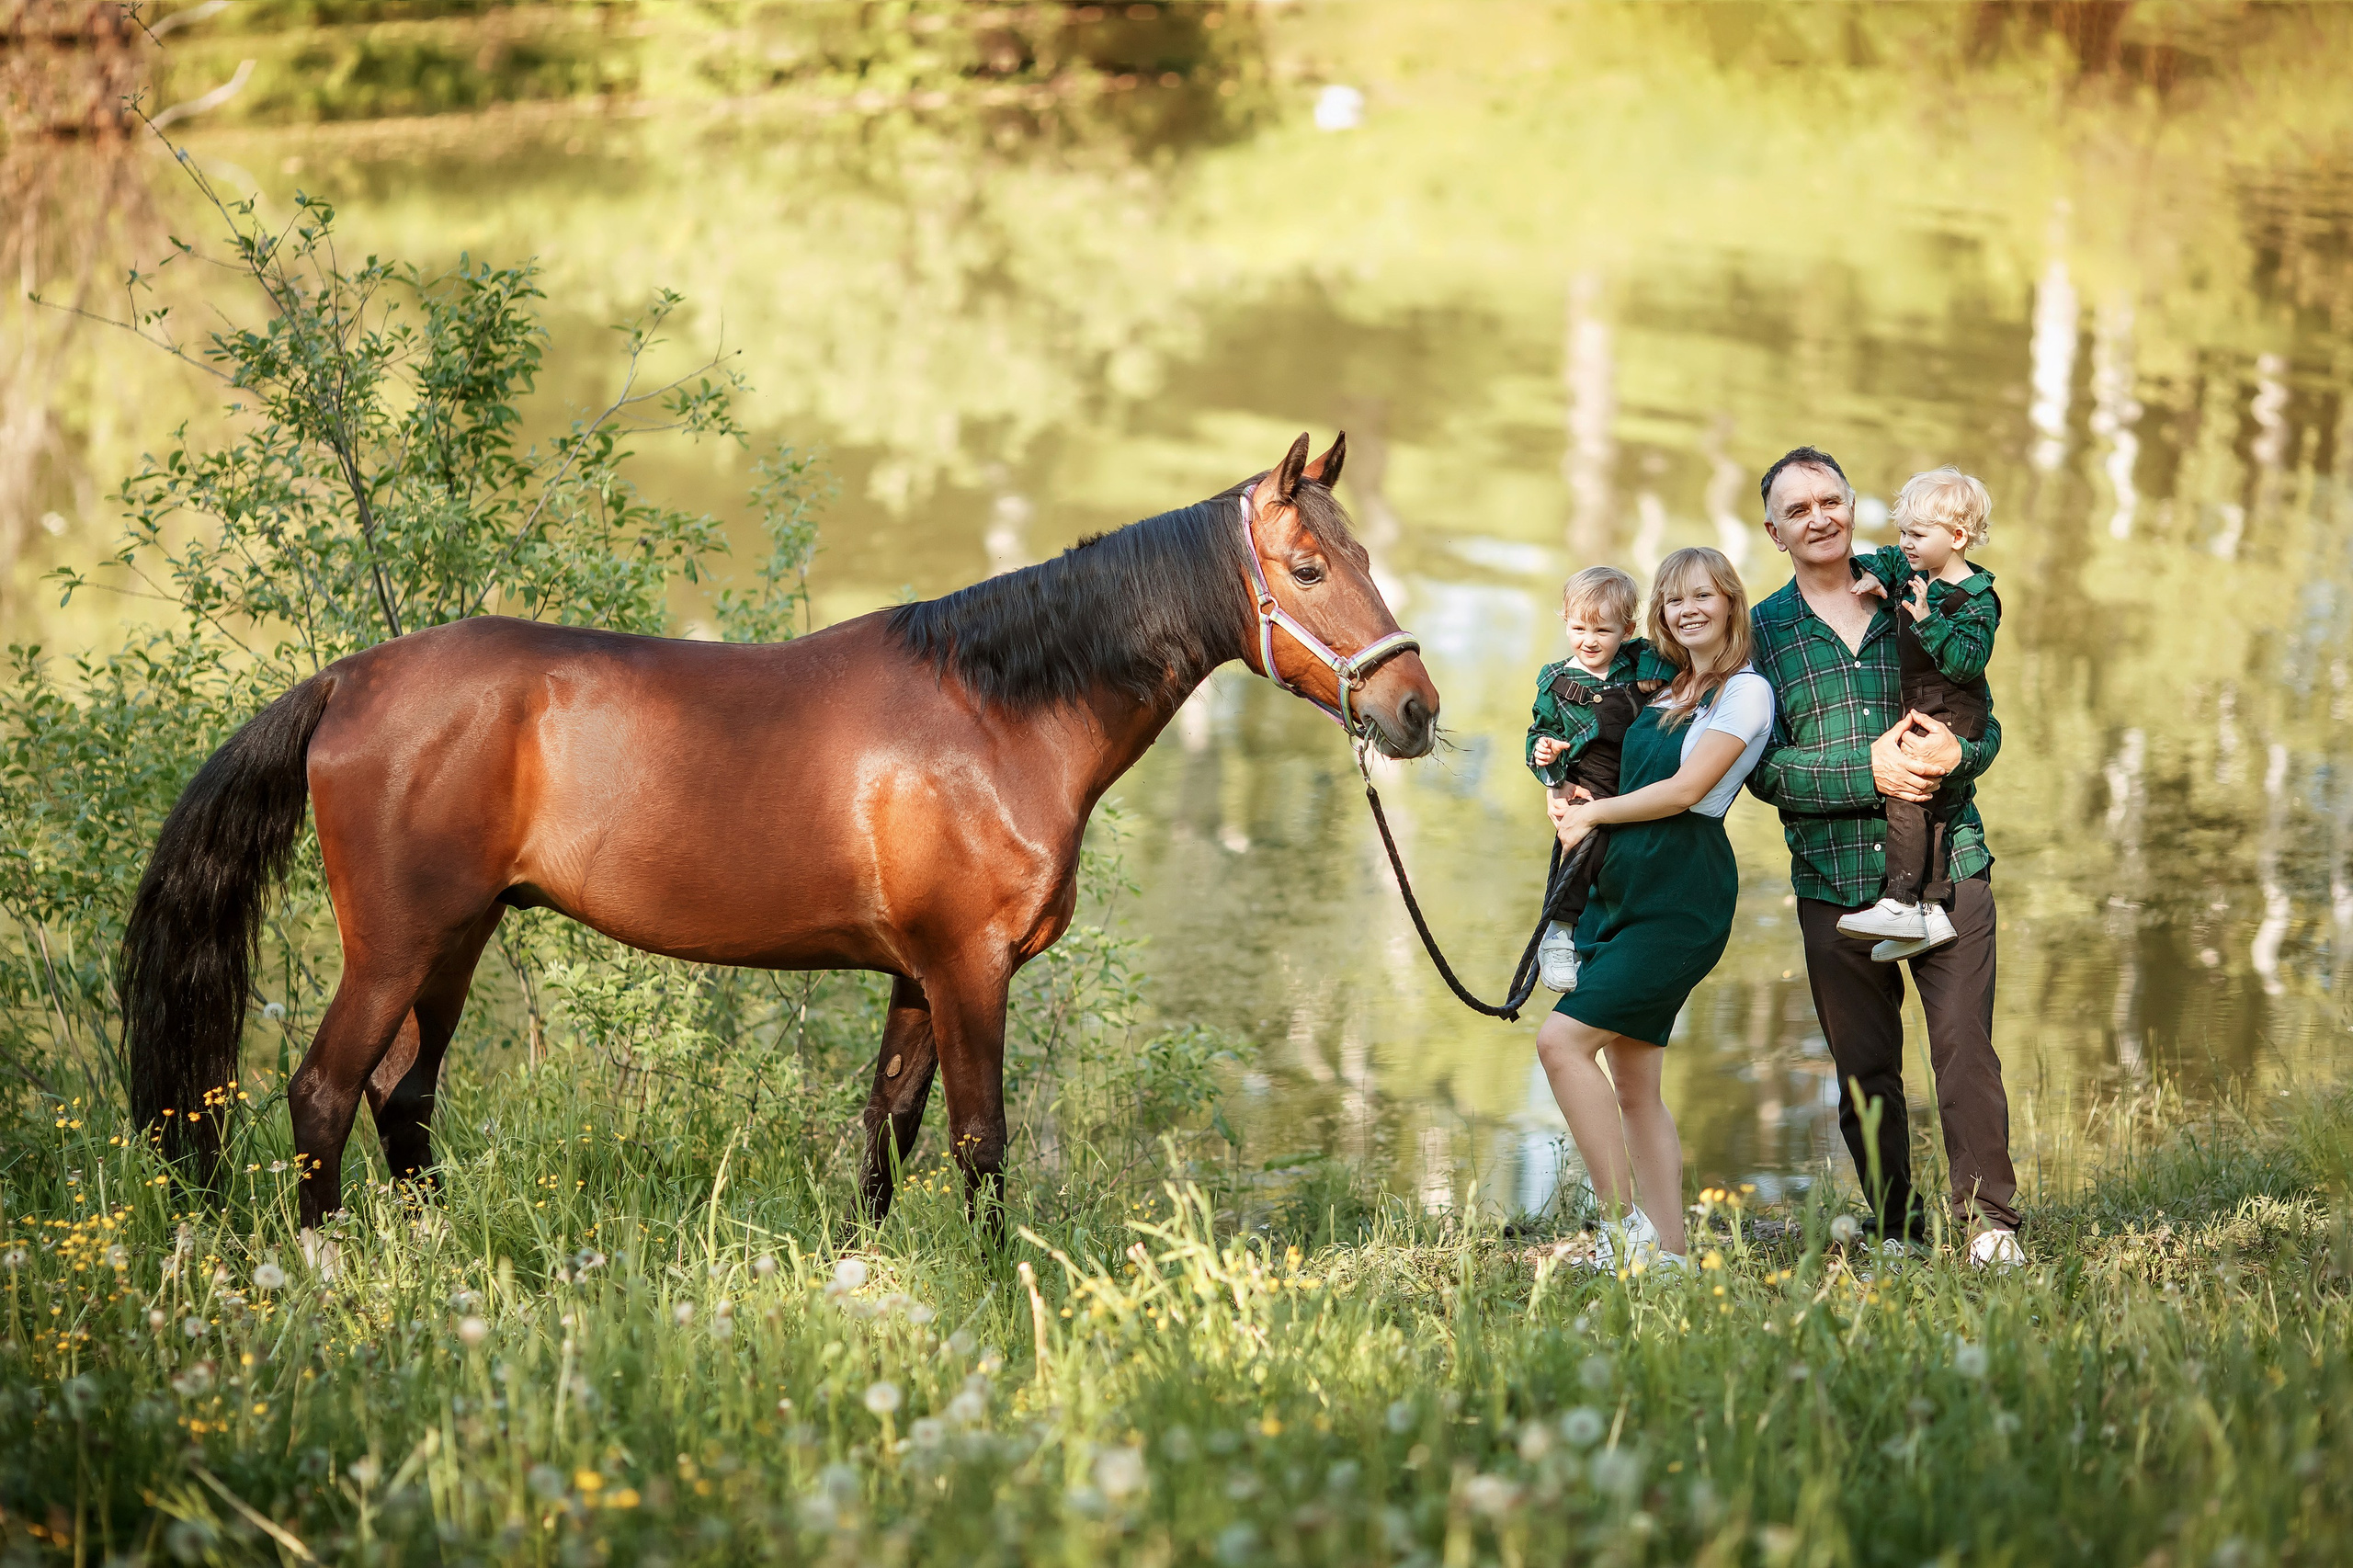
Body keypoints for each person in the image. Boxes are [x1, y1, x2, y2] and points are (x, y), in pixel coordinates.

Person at [1745, 446, 2024, 1268]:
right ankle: (1898, 1226)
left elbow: (1982, 717)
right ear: (1775, 532)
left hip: (1948, 860)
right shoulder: (1761, 634)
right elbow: (1761, 768)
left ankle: (1990, 1225)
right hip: (1833, 878)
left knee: (1965, 1051)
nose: (1819, 519)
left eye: (1830, 501)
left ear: (1852, 504)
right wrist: (1864, 770)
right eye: (1798, 510)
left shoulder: (1916, 581)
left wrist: (1960, 756)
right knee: (1864, 1069)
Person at [1538, 548, 1775, 1270]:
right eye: (1674, 599)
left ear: (1730, 602)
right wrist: (1564, 788)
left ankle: (1622, 1231)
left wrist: (1594, 814)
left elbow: (1684, 791)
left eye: (1703, 595)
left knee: (1561, 1044)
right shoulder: (1661, 685)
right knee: (1637, 1086)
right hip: (1615, 889)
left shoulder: (1745, 693)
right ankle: (1668, 1252)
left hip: (1680, 893)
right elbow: (1601, 760)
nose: (1688, 609)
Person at [1836, 466, 2000, 960]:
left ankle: (1900, 902)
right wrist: (1874, 574)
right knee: (1934, 809)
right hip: (1925, 704)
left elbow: (1968, 662)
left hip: (1954, 712)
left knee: (1907, 794)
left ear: (1957, 537)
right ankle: (1931, 913)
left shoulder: (1977, 599)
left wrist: (1927, 620)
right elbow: (1887, 557)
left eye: (1918, 535)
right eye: (1903, 531)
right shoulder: (1916, 570)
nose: (1906, 543)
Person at [1524, 566, 1670, 993]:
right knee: (1587, 843)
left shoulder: (1635, 660)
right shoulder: (1556, 682)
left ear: (1626, 631)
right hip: (1587, 780)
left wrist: (1654, 669)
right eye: (1578, 628)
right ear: (1565, 621)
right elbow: (1538, 734)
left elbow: (1667, 649)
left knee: (1636, 859)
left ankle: (1628, 944)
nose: (1589, 640)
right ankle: (1558, 933)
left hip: (1637, 777)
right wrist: (1547, 760)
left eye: (1603, 631)